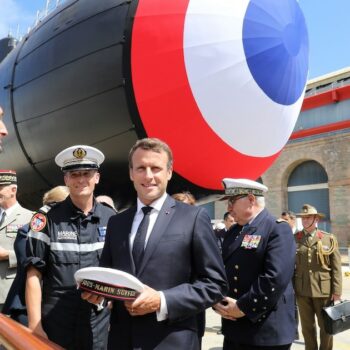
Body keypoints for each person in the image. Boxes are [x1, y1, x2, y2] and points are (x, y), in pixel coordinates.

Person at [84, 137, 227, 349]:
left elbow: (215, 285)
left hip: (171, 341)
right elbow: (109, 275)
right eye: (141, 168)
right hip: (123, 341)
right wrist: (99, 295)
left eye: (156, 168)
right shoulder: (117, 222)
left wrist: (162, 301)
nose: (148, 176)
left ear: (169, 173)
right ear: (131, 174)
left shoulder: (193, 218)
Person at [25, 145, 116, 349]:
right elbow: (33, 274)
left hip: (99, 322)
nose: (81, 180)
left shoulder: (113, 220)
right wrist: (35, 325)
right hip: (56, 321)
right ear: (66, 179)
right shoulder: (46, 219)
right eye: (74, 174)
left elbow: (119, 272)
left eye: (87, 174)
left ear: (97, 177)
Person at [214, 178, 296, 350]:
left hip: (265, 330)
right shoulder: (234, 231)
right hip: (234, 327)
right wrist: (218, 302)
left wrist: (242, 307)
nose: (228, 208)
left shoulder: (277, 229)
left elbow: (275, 278)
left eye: (232, 202)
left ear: (251, 200)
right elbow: (222, 269)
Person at [2, 186, 69, 325]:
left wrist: (7, 255)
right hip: (27, 304)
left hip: (57, 302)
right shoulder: (28, 229)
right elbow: (28, 262)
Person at [294, 204, 342, 350]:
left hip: (323, 290)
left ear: (316, 219)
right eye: (303, 217)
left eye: (308, 217)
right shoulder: (295, 238)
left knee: (326, 327)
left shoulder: (328, 239)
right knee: (307, 328)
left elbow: (336, 267)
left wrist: (337, 291)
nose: (304, 220)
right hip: (302, 290)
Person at [0, 170, 33, 312]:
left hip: (10, 291)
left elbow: (34, 253)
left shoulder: (30, 217)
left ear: (13, 190)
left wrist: (8, 255)